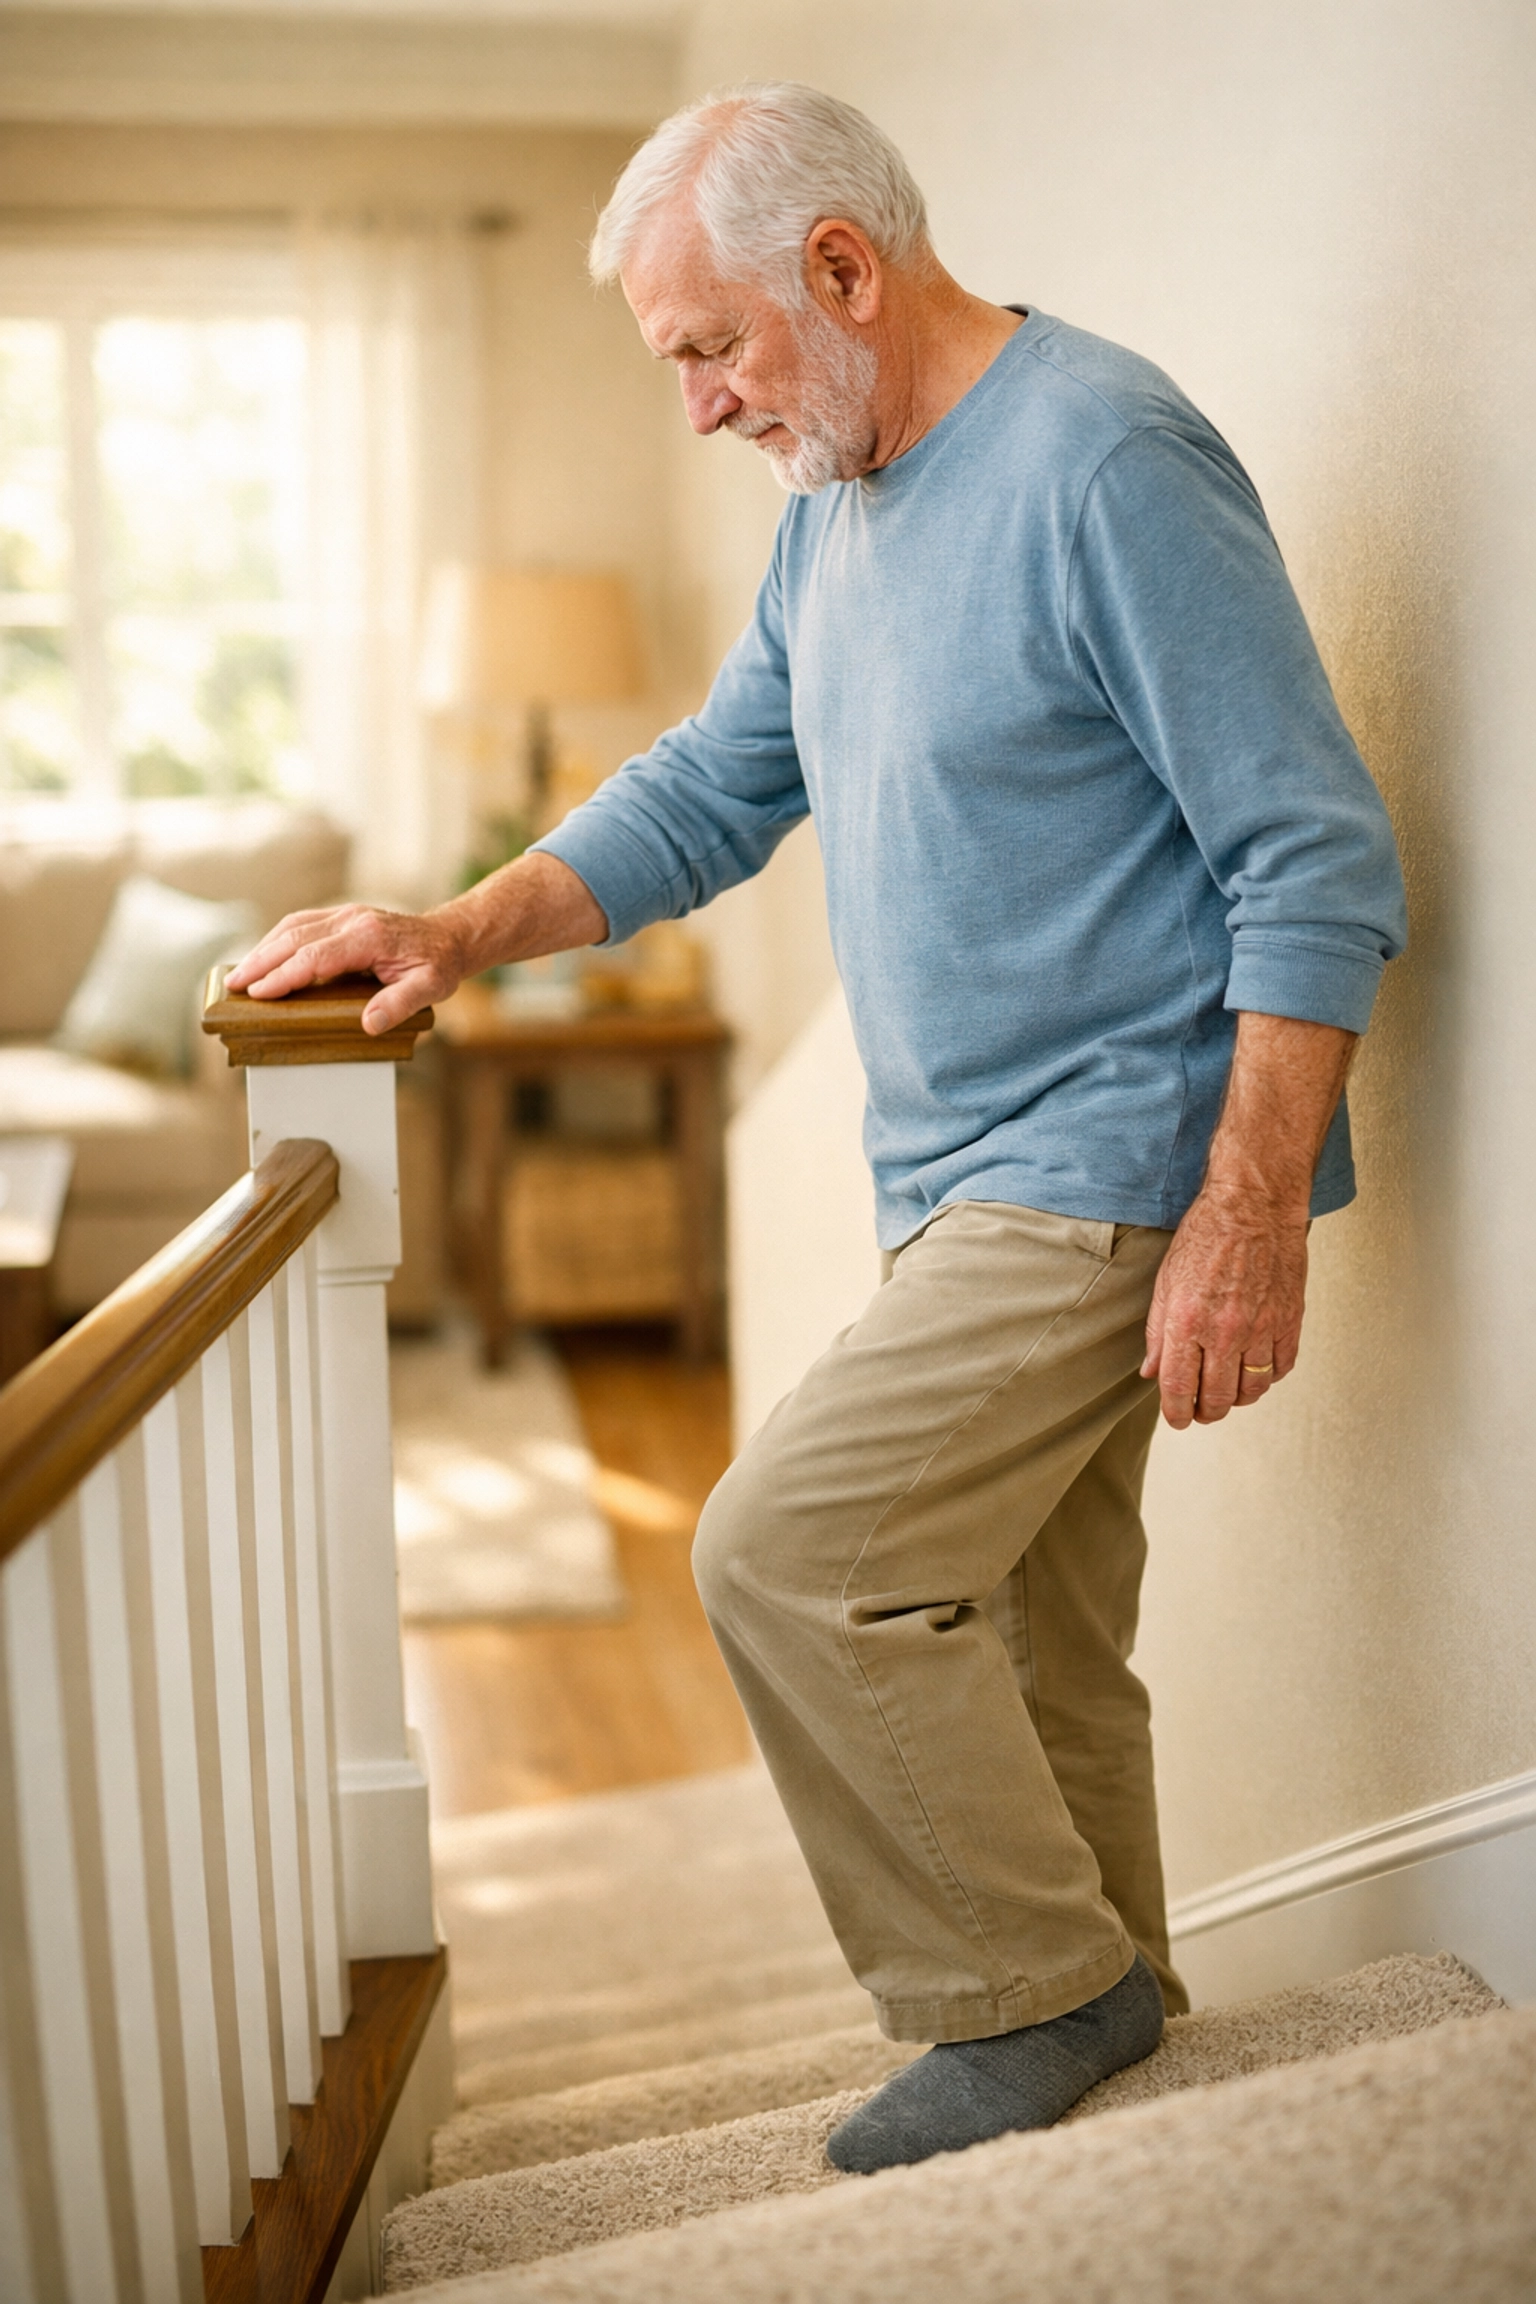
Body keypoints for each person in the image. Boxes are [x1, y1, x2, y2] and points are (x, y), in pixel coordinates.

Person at [231, 83, 1407, 2173]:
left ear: (844, 271)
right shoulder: (838, 505)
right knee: (1032, 1641)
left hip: (1114, 1152)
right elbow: (706, 790)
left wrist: (1250, 1214)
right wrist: (458, 924)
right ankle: (1124, 2048)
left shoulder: (1102, 457)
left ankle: (1035, 1999)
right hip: (955, 1171)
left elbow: (1310, 854)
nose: (698, 405)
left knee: (793, 1553)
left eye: (711, 349)